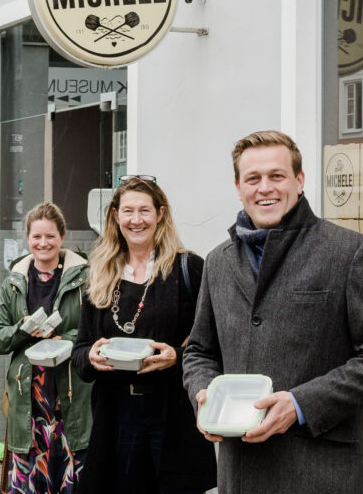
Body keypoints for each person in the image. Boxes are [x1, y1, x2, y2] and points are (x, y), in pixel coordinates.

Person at [183, 130, 363, 492]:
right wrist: (204, 394)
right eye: (253, 178)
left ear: (299, 180)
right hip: (239, 474)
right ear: (238, 187)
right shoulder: (218, 262)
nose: (265, 188)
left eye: (276, 176)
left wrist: (300, 404)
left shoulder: (351, 253)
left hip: (319, 474)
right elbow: (199, 351)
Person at [71, 177, 216, 493]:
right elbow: (80, 350)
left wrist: (175, 358)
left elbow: (210, 345)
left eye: (144, 211)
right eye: (128, 211)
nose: (136, 220)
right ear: (115, 216)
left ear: (160, 214)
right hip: (116, 417)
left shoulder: (188, 268)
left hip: (173, 415)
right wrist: (91, 357)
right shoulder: (100, 273)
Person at [0, 202, 92, 494]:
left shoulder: (86, 278)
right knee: (30, 474)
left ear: (62, 237)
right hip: (29, 394)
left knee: (71, 473)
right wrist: (22, 330)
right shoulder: (14, 282)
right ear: (27, 238)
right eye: (36, 237)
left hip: (71, 390)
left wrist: (69, 339)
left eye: (50, 236)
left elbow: (98, 330)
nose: (43, 243)